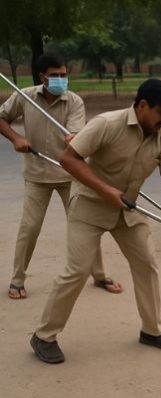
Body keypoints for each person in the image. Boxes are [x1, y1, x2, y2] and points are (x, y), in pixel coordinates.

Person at [30, 79, 161, 364]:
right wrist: (107, 191)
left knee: (146, 264)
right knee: (77, 270)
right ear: (142, 106)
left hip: (126, 208)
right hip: (89, 205)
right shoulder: (106, 124)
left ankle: (152, 330)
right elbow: (69, 158)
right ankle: (44, 336)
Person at [0, 53, 122, 300]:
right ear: (42, 77)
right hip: (36, 173)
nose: (60, 80)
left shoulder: (74, 101)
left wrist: (75, 138)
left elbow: (76, 135)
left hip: (70, 175)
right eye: (54, 76)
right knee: (30, 227)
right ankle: (17, 279)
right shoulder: (24, 96)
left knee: (87, 224)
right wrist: (16, 139)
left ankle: (98, 275)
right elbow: (2, 118)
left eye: (64, 75)